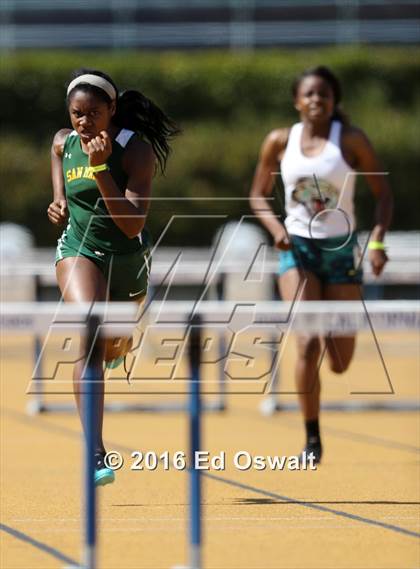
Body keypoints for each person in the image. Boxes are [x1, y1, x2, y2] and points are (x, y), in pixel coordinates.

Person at [250, 66, 393, 464]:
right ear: (297, 101)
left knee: (341, 361)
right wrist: (275, 228)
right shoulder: (280, 141)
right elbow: (257, 195)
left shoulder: (350, 140)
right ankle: (312, 437)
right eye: (309, 94)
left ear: (335, 101)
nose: (317, 100)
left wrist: (378, 240)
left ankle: (329, 340)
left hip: (341, 250)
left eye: (324, 94)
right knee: (307, 341)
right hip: (296, 248)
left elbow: (384, 196)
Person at [48, 68, 179, 485]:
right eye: (76, 114)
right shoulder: (64, 141)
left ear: (113, 110)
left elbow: (131, 225)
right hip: (79, 250)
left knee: (109, 344)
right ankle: (97, 452)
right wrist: (59, 199)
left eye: (93, 114)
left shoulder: (133, 152)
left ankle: (114, 344)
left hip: (127, 258)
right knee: (91, 329)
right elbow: (56, 155)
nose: (83, 123)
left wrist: (101, 169)